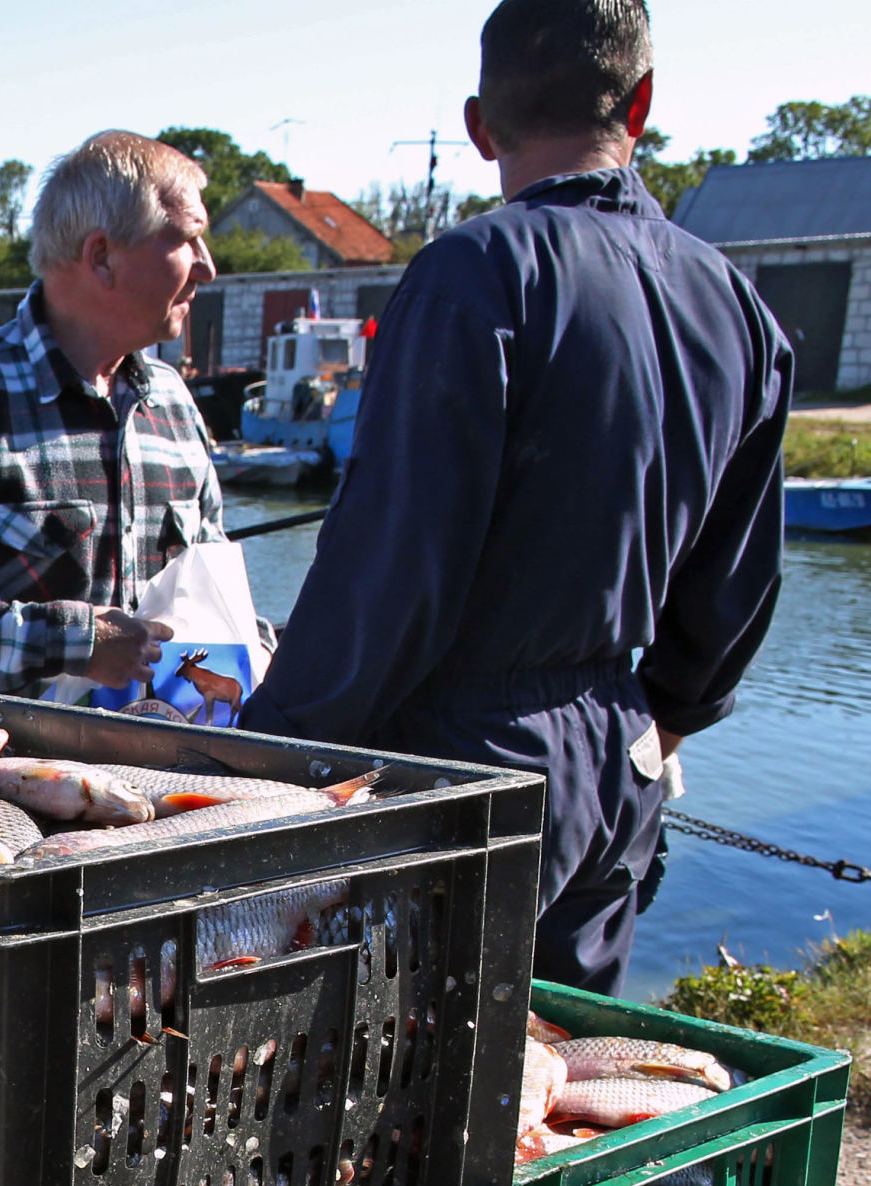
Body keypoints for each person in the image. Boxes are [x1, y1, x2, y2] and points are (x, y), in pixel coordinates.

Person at [242, 0, 789, 993]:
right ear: (644, 102)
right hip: (619, 752)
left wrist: (256, 758)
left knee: (403, 1093)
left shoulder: (475, 274)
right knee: (554, 1087)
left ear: (476, 125)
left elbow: (392, 565)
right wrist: (662, 714)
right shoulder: (734, 302)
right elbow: (738, 575)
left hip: (462, 756)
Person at [0, 131, 221, 699]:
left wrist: (259, 650)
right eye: (186, 240)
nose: (207, 268)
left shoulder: (174, 405)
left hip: (167, 772)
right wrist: (75, 642)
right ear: (101, 256)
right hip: (15, 778)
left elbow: (217, 590)